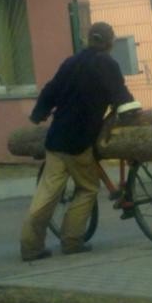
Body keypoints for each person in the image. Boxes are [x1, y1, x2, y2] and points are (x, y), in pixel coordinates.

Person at [20, 22, 139, 261]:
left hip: (56, 139)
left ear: (88, 40)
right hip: (80, 141)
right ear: (110, 42)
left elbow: (50, 90)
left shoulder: (70, 62)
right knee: (87, 188)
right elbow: (120, 95)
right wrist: (132, 112)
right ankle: (72, 241)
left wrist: (38, 114)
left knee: (46, 194)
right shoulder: (108, 64)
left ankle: (31, 247)